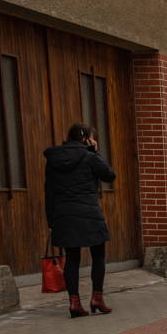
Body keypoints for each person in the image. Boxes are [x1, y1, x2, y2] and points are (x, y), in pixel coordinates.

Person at [44, 123, 116, 318]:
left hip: (64, 214)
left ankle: (74, 302)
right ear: (87, 139)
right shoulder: (90, 156)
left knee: (72, 258)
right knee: (98, 255)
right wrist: (96, 152)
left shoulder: (53, 160)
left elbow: (48, 192)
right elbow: (109, 175)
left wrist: (51, 221)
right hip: (89, 213)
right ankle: (97, 298)